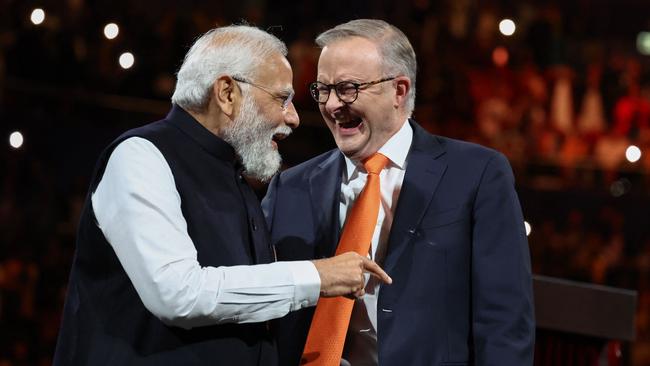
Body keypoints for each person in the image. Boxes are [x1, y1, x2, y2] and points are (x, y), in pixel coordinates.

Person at [53, 25, 391, 366]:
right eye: (281, 98)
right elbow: (177, 294)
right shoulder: (140, 156)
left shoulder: (238, 181)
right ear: (227, 93)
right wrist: (316, 276)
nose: (293, 117)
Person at [263, 19, 535, 365]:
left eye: (348, 88)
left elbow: (504, 321)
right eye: (323, 89)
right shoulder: (291, 186)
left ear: (399, 91)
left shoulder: (478, 175)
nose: (332, 105)